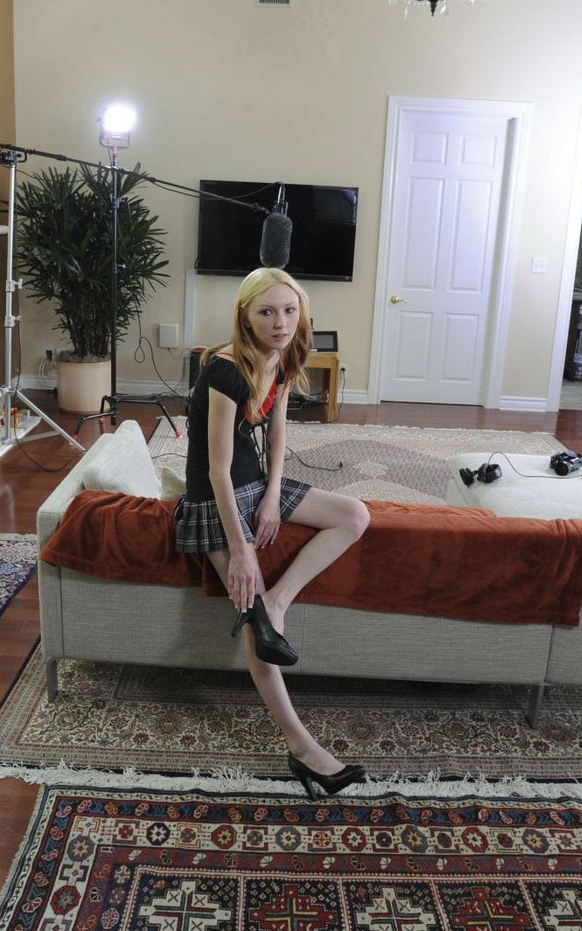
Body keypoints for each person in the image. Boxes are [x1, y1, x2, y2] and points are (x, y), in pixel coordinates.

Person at [174, 267, 371, 799]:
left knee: (354, 515)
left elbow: (278, 432)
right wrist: (241, 552)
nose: (280, 322)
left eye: (288, 310)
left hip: (257, 485)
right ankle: (303, 749)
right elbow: (216, 470)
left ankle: (278, 601)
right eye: (266, 312)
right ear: (245, 316)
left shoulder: (281, 356)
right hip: (214, 499)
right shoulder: (225, 370)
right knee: (254, 623)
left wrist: (272, 496)